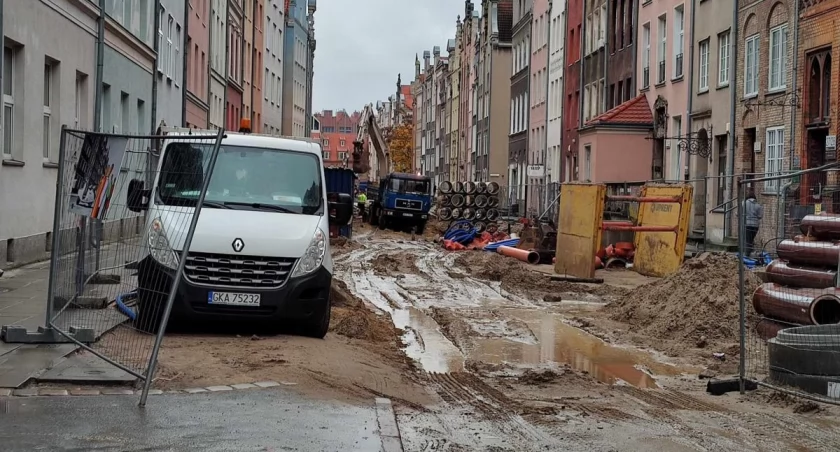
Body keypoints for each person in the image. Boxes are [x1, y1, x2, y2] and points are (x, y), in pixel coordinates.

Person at [744, 190, 763, 257]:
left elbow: (738, 213)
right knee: (751, 239)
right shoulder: (758, 205)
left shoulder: (744, 203)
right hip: (755, 225)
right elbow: (760, 216)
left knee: (747, 240)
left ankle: (747, 255)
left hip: (747, 224)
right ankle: (750, 253)